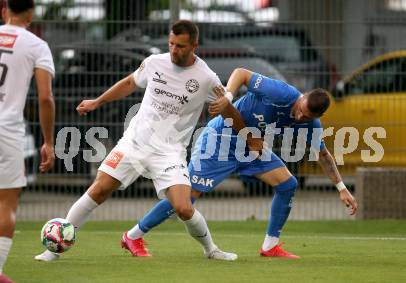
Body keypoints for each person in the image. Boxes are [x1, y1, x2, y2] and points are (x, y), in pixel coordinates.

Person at [35, 20, 257, 262]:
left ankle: (211, 250)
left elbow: (229, 110)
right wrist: (97, 101)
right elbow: (130, 83)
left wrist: (248, 137)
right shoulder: (154, 63)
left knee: (183, 207)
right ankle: (53, 249)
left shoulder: (206, 77)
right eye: (171, 43)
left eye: (181, 46)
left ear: (194, 45)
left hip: (170, 152)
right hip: (135, 143)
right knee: (99, 189)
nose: (174, 50)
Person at [122, 68, 358, 259]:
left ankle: (270, 246)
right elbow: (241, 73)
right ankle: (133, 236)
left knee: (287, 185)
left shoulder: (310, 124)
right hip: (221, 139)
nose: (299, 117)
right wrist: (228, 96)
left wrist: (342, 188)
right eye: (300, 111)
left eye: (306, 117)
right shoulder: (281, 93)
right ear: (302, 98)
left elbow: (324, 155)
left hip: (251, 148)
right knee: (186, 199)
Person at [0, 0, 55, 282]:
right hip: (8, 131)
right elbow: (45, 98)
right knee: (6, 204)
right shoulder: (36, 45)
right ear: (31, 14)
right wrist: (48, 141)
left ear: (4, 10)